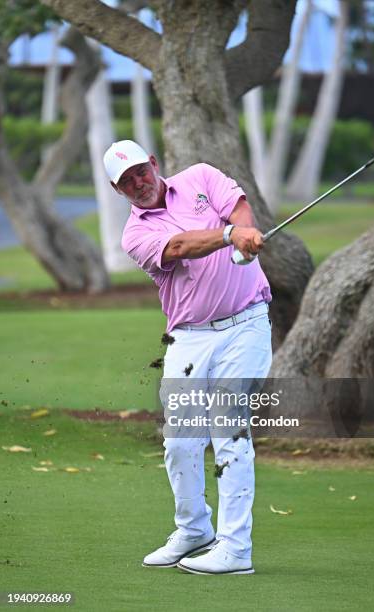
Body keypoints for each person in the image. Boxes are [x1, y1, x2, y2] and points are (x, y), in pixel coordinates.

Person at [103, 140, 272, 575]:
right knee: (180, 443)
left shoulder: (200, 176)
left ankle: (236, 549)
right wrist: (229, 236)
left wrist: (243, 235)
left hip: (247, 324)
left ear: (154, 163)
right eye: (126, 181)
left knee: (229, 431)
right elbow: (178, 247)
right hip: (189, 339)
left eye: (140, 171)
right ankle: (195, 529)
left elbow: (237, 206)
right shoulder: (135, 234)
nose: (138, 182)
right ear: (117, 190)